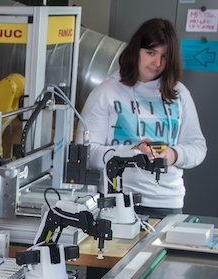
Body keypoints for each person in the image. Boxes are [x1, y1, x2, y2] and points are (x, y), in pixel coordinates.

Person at [79, 18, 206, 217]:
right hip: (117, 203)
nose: (157, 63)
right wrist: (131, 153)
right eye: (151, 53)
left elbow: (198, 148)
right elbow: (85, 154)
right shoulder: (105, 93)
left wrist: (172, 155)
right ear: (136, 50)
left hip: (168, 204)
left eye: (164, 56)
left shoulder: (179, 94)